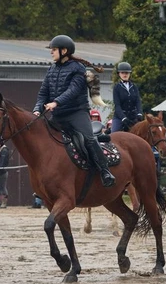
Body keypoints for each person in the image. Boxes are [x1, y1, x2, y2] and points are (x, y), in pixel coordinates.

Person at [33, 34, 115, 187]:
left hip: (76, 113)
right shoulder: (51, 69)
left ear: (64, 51)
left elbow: (73, 90)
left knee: (89, 139)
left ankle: (105, 171)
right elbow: (43, 93)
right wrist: (37, 109)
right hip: (58, 116)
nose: (51, 52)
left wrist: (56, 102)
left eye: (54, 49)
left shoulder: (78, 68)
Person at [111, 62, 143, 133]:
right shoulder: (117, 88)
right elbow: (117, 105)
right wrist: (123, 118)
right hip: (120, 117)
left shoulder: (134, 87)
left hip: (133, 117)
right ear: (119, 74)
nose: (125, 74)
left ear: (129, 74)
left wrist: (139, 113)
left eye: (127, 73)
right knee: (113, 135)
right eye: (122, 73)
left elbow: (138, 101)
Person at [0, 143, 10, 208]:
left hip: (2, 171)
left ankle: (4, 203)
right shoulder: (1, 150)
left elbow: (2, 162)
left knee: (3, 187)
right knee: (0, 187)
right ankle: (2, 202)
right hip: (0, 171)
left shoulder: (4, 151)